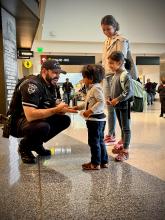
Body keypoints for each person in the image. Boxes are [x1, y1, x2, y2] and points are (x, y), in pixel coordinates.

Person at [11, 59, 77, 164]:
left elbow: (50, 104)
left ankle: (37, 144)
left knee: (64, 120)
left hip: (33, 120)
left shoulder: (51, 85)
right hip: (17, 122)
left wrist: (62, 109)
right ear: (44, 71)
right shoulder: (32, 85)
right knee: (42, 126)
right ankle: (24, 147)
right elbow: (31, 115)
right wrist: (56, 110)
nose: (58, 76)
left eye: (59, 73)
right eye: (55, 72)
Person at [101, 15, 138, 145]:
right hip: (107, 76)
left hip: (117, 76)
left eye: (108, 29)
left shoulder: (122, 40)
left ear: (115, 26)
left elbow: (120, 60)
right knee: (110, 106)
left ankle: (124, 137)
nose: (106, 32)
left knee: (121, 107)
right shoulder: (106, 41)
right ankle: (111, 134)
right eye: (103, 29)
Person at [73, 64, 108, 170]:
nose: (83, 80)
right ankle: (104, 162)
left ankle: (95, 163)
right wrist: (78, 107)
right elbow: (90, 102)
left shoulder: (95, 88)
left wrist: (90, 111)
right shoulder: (92, 88)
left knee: (94, 142)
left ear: (91, 78)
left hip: (95, 120)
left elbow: (101, 102)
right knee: (100, 141)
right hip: (98, 120)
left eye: (84, 77)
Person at [107, 51, 133, 162]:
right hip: (117, 106)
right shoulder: (114, 75)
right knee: (122, 127)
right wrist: (110, 98)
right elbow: (113, 90)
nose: (110, 65)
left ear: (120, 62)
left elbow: (129, 92)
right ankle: (122, 144)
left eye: (112, 63)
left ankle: (126, 150)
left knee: (126, 129)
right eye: (109, 63)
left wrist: (116, 100)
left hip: (124, 106)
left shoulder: (125, 75)